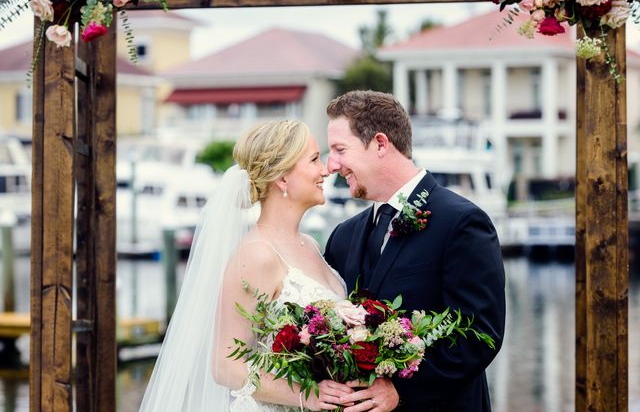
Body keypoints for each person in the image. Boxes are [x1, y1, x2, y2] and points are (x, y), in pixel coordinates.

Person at [139, 120, 353, 411]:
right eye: (315, 160)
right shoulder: (257, 255)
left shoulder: (310, 244)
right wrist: (308, 395)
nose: (326, 170)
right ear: (282, 178)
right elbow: (225, 366)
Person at [324, 91, 506, 412]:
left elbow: (478, 336)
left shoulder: (461, 222)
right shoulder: (343, 236)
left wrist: (400, 391)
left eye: (340, 150)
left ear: (381, 144)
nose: (331, 165)